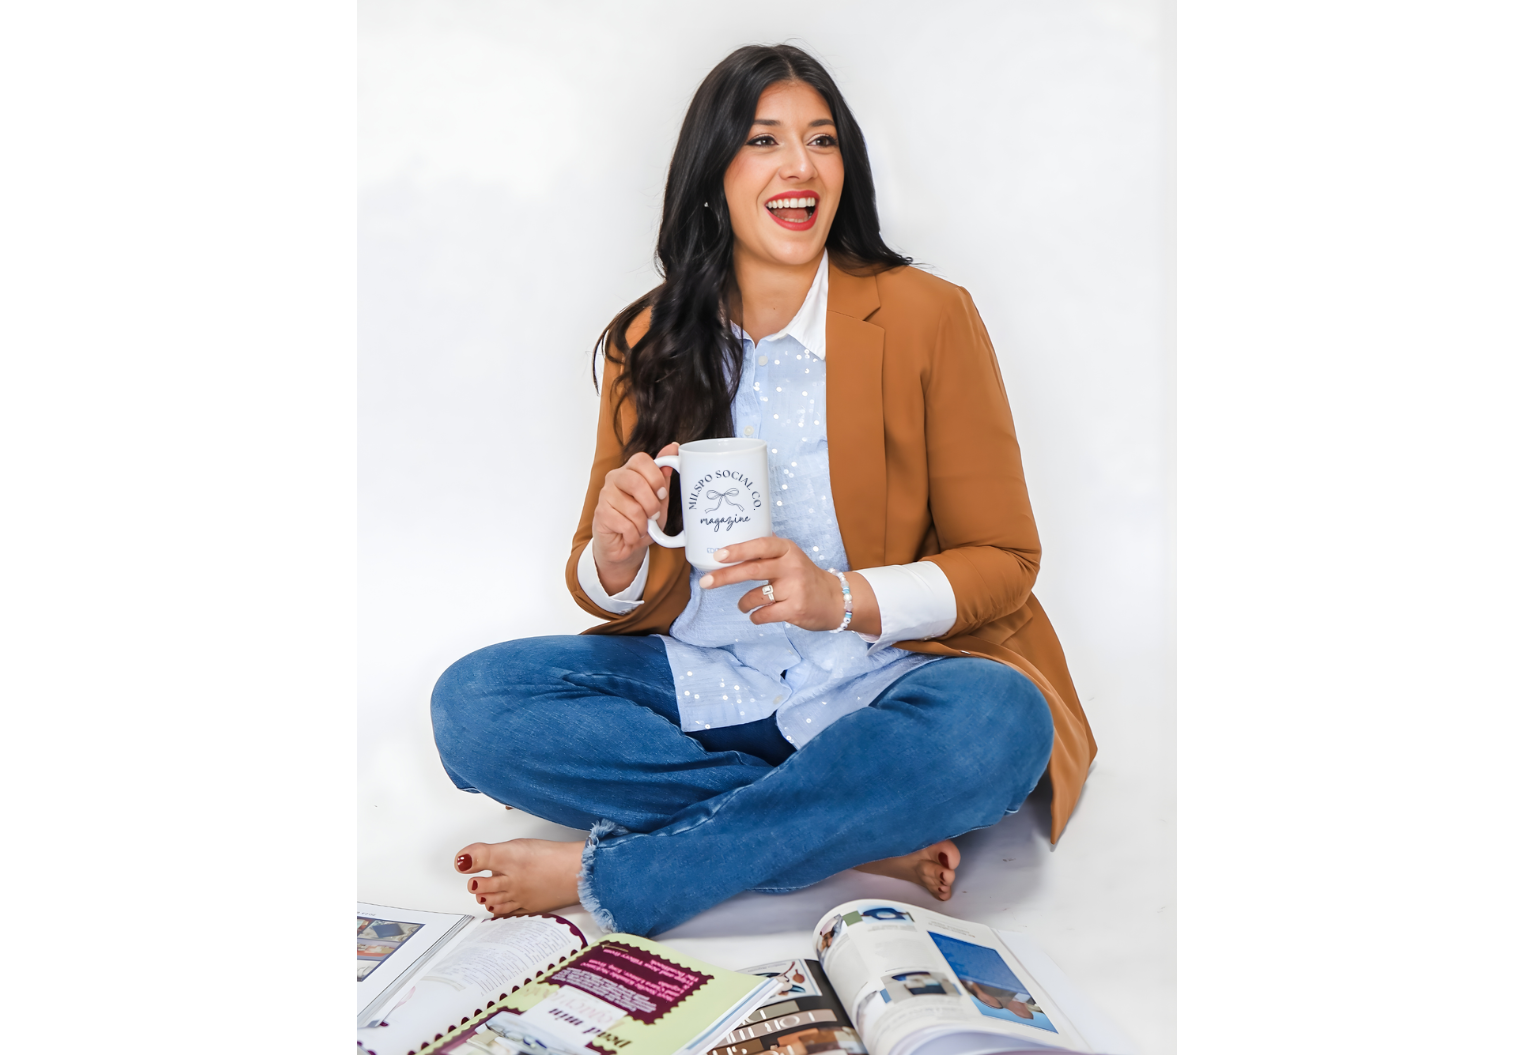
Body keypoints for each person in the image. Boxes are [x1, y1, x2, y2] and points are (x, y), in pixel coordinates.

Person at [430, 44, 1096, 937]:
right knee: (473, 706)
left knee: (999, 725)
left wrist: (840, 597)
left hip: (881, 680)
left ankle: (633, 873)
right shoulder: (648, 338)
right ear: (714, 173)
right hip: (709, 678)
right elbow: (600, 577)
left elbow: (1005, 559)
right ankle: (847, 835)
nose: (800, 166)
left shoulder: (928, 316)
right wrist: (616, 555)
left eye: (822, 140)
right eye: (764, 140)